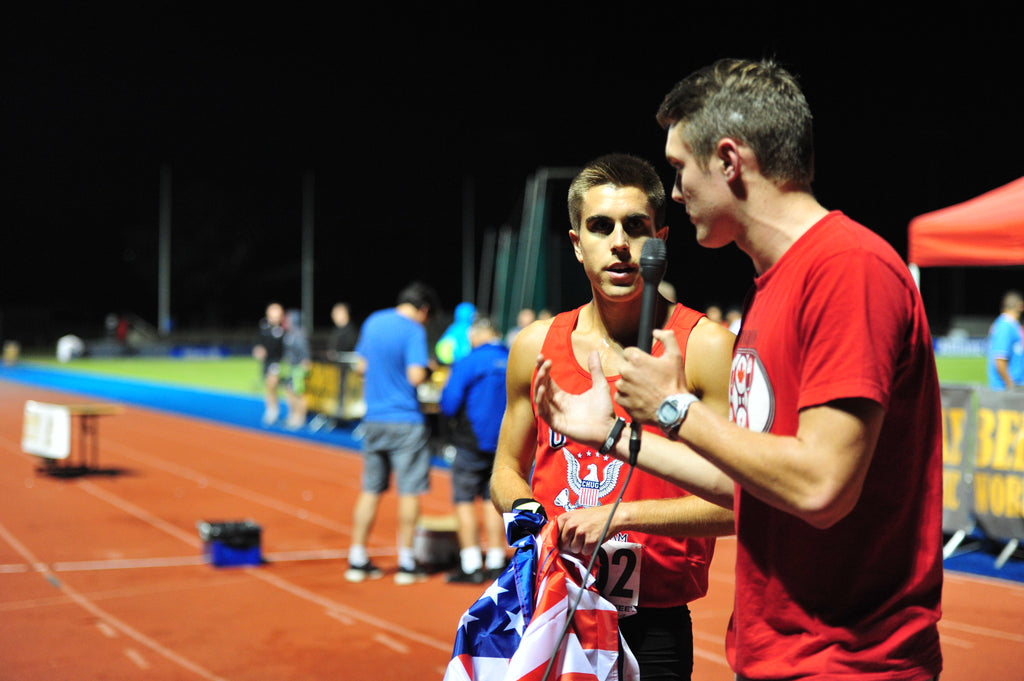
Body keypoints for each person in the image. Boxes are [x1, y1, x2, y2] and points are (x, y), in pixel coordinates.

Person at [532, 58, 944, 681]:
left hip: (849, 662)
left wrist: (674, 409)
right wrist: (613, 435)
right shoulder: (777, 287)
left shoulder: (846, 270)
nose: (674, 192)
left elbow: (819, 488)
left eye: (678, 169)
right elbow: (751, 488)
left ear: (728, 161)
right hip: (781, 653)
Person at [490, 153, 736, 680]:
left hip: (653, 627)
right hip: (554, 608)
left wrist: (620, 519)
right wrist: (529, 514)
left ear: (661, 240)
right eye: (600, 227)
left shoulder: (706, 350)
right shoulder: (536, 346)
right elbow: (503, 471)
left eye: (636, 227)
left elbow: (743, 505)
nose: (619, 242)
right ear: (577, 243)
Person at [347, 281, 439, 585]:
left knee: (370, 489)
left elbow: (361, 366)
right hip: (405, 420)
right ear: (423, 309)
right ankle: (406, 561)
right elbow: (415, 376)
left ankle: (357, 557)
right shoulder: (413, 329)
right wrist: (428, 368)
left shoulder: (374, 320)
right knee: (409, 490)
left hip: (374, 417)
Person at [439, 315, 510, 583]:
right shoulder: (513, 356)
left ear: (478, 335)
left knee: (464, 500)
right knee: (493, 500)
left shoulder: (469, 361)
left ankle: (470, 564)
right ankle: (495, 560)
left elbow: (449, 402)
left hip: (471, 441)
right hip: (504, 441)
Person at [253, 302, 286, 426]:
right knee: (268, 386)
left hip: (277, 362)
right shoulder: (264, 328)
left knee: (272, 383)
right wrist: (258, 349)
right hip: (266, 362)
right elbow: (258, 342)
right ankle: (271, 409)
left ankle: (274, 410)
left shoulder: (283, 330)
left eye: (277, 313)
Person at [987, 290, 1024, 390]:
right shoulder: (1005, 326)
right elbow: (1000, 359)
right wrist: (1011, 385)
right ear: (1020, 306)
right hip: (1006, 391)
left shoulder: (1011, 325)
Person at [282, 309, 312, 430]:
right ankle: (292, 414)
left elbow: (305, 354)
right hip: (291, 368)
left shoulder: (299, 335)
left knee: (298, 393)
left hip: (298, 369)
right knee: (289, 391)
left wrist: (303, 368)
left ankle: (300, 417)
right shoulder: (289, 335)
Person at [435, 301, 477, 365]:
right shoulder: (470, 330)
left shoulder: (452, 328)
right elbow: (465, 350)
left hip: (446, 364)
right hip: (461, 364)